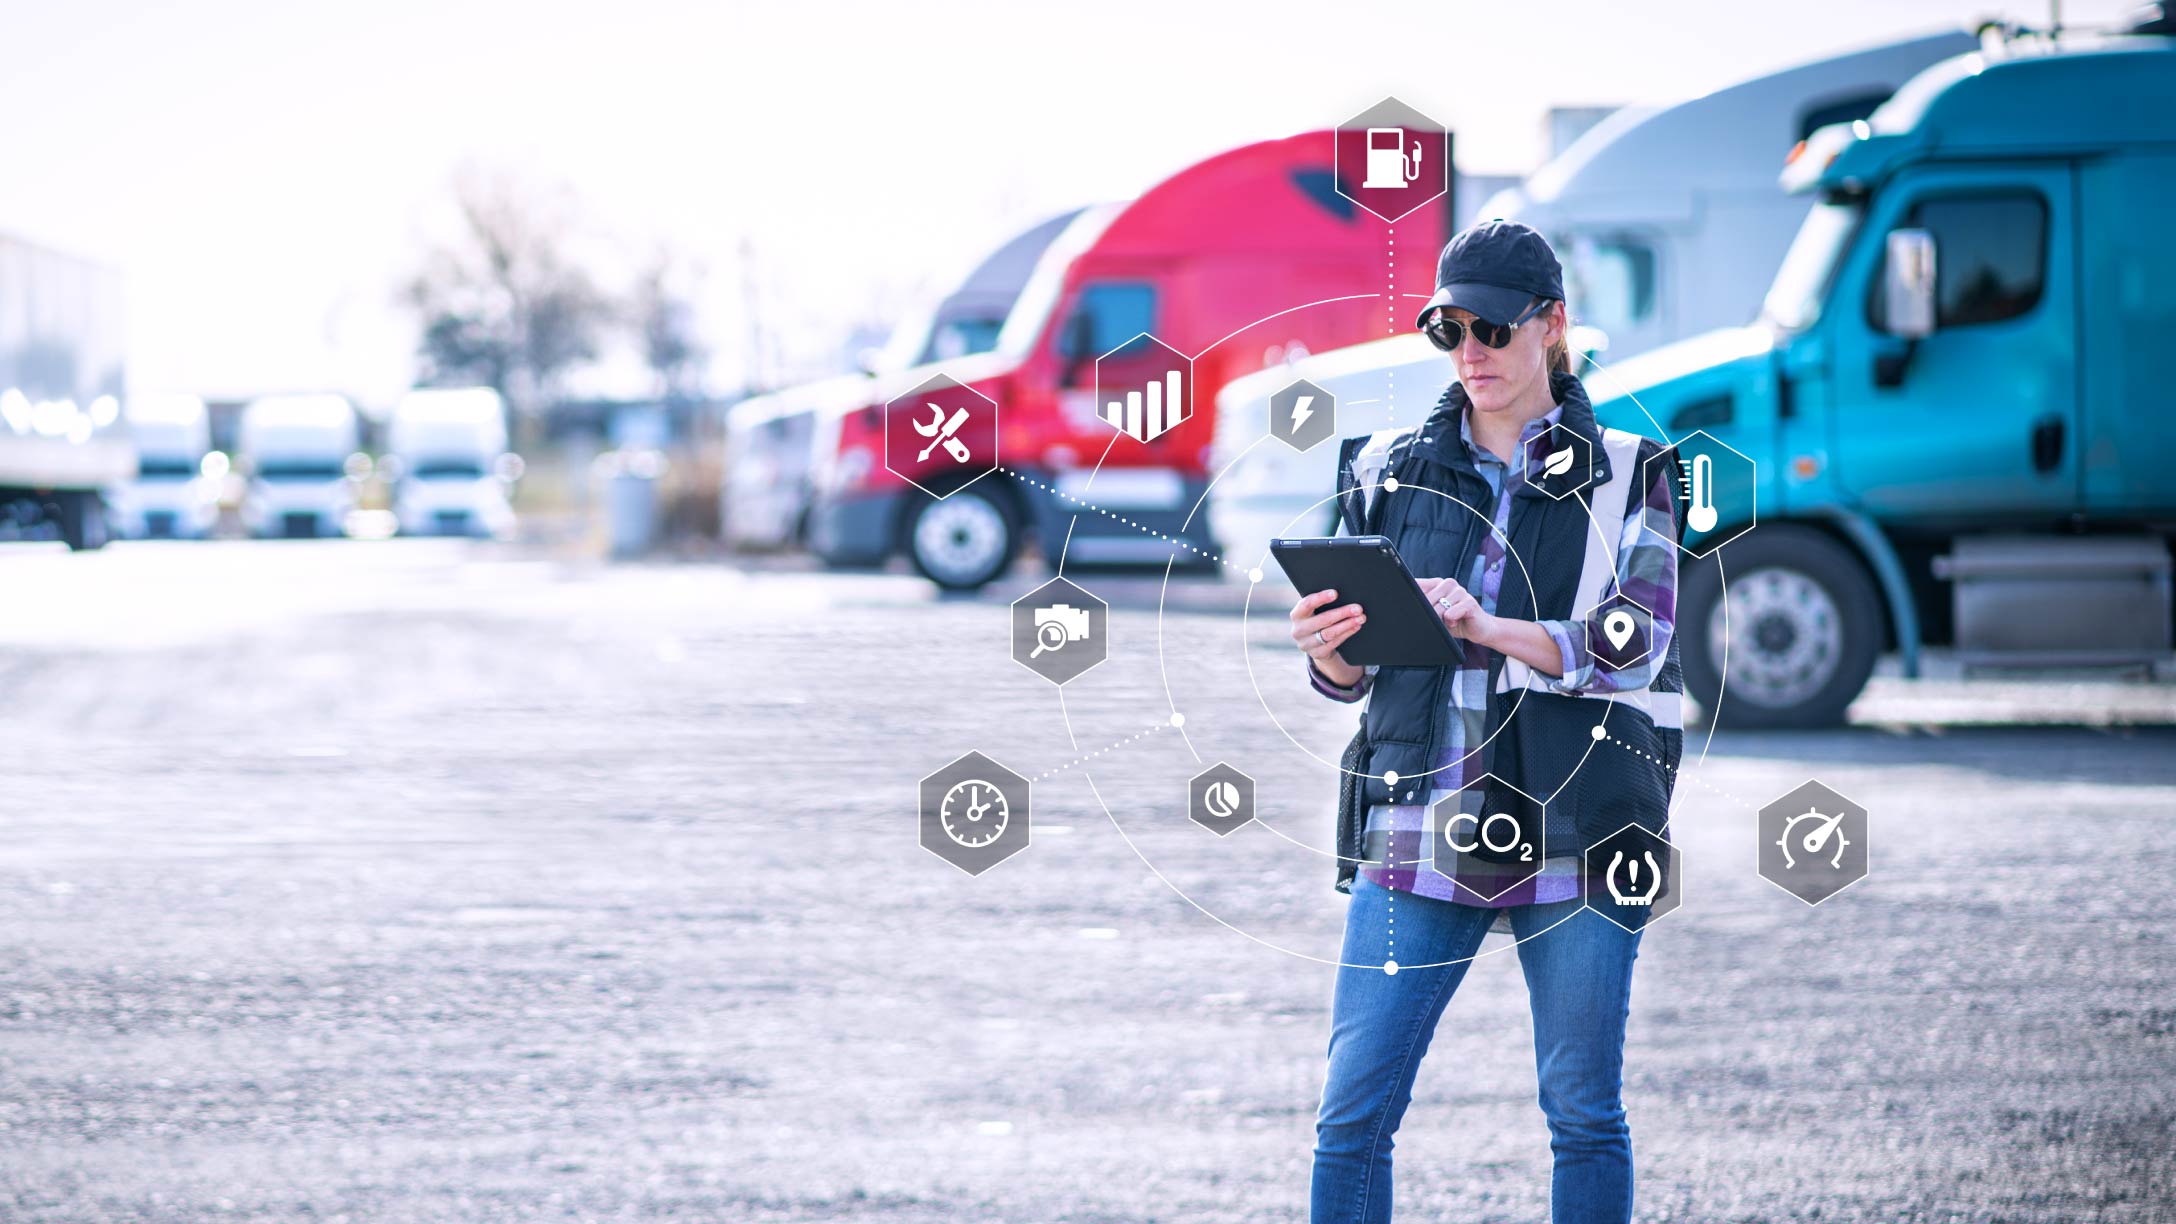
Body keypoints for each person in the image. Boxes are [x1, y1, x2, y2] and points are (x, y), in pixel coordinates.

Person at [1289, 219, 1683, 1224]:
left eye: (1494, 328)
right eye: (1449, 329)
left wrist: (1490, 627)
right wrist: (1328, 651)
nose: (1471, 350)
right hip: (1418, 823)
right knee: (1350, 1120)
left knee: (1582, 1115)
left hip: (1579, 826)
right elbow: (1355, 677)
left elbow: (1636, 645)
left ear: (1552, 326)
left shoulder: (1634, 471)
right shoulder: (1381, 467)